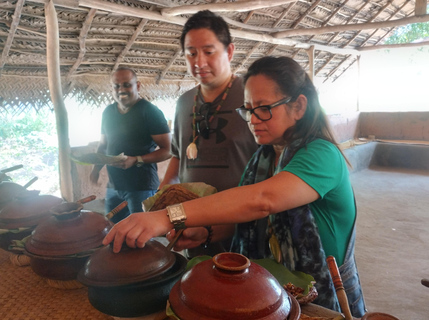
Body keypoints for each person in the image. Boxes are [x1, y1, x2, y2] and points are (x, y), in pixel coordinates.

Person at [103, 56, 367, 317]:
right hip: (272, 293)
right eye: (248, 109)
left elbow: (263, 201)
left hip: (322, 297)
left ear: (298, 106)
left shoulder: (321, 154)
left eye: (264, 108)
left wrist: (167, 217)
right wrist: (205, 233)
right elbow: (249, 221)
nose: (252, 118)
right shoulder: (262, 158)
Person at [158, 10, 258, 256]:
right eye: (191, 53)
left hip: (247, 228)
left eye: (208, 52)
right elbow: (179, 156)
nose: (198, 62)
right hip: (194, 228)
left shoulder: (253, 96)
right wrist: (163, 196)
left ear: (230, 51)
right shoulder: (184, 103)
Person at [90, 67, 171, 223]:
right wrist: (96, 169)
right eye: (116, 86)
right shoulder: (108, 112)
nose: (121, 89)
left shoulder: (150, 112)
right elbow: (103, 144)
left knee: (141, 235)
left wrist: (136, 159)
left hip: (142, 187)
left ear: (138, 86)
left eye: (127, 85)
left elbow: (168, 150)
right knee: (114, 230)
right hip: (114, 186)